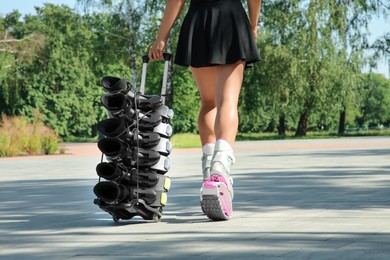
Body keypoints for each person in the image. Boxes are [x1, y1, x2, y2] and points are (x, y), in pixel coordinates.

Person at [149, 0, 261, 221]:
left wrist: (161, 37)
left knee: (209, 102)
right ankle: (220, 170)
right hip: (230, 18)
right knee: (227, 100)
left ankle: (209, 170)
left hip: (198, 20)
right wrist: (253, 25)